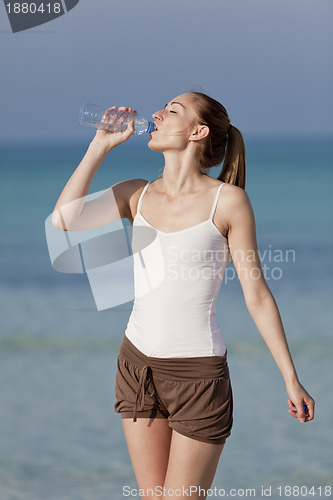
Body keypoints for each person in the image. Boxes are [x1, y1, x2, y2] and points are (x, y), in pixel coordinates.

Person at [52, 92, 315, 500]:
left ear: (198, 131)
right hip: (136, 365)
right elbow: (64, 222)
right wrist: (98, 146)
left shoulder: (227, 201)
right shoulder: (136, 194)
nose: (154, 114)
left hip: (198, 376)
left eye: (171, 110)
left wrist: (290, 378)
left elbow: (257, 294)